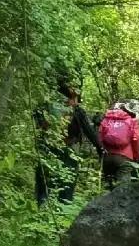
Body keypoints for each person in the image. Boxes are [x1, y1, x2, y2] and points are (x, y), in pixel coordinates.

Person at [35, 77, 100, 205]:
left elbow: (37, 121)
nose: (76, 102)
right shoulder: (77, 111)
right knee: (68, 181)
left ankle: (41, 204)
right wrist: (100, 148)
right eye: (74, 98)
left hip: (47, 148)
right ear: (70, 98)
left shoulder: (46, 107)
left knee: (44, 178)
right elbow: (89, 131)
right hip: (68, 149)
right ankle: (64, 206)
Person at [98, 101, 139, 187]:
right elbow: (136, 139)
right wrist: (136, 155)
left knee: (107, 185)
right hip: (124, 158)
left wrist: (103, 152)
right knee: (123, 188)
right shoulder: (132, 121)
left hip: (107, 157)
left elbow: (100, 136)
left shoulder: (107, 119)